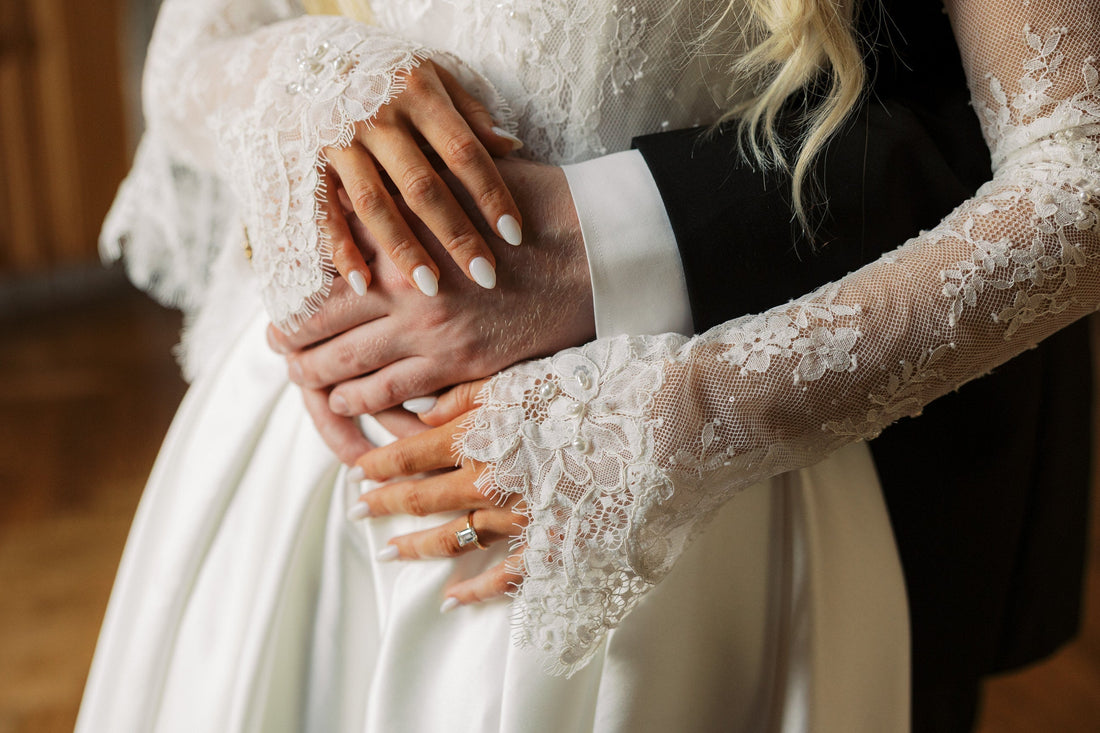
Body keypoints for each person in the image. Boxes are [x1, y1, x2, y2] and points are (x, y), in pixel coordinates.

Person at [77, 1, 1098, 733]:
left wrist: (682, 417)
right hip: (297, 469)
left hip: (672, 492)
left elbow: (1073, 172)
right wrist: (296, 75)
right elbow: (194, 46)